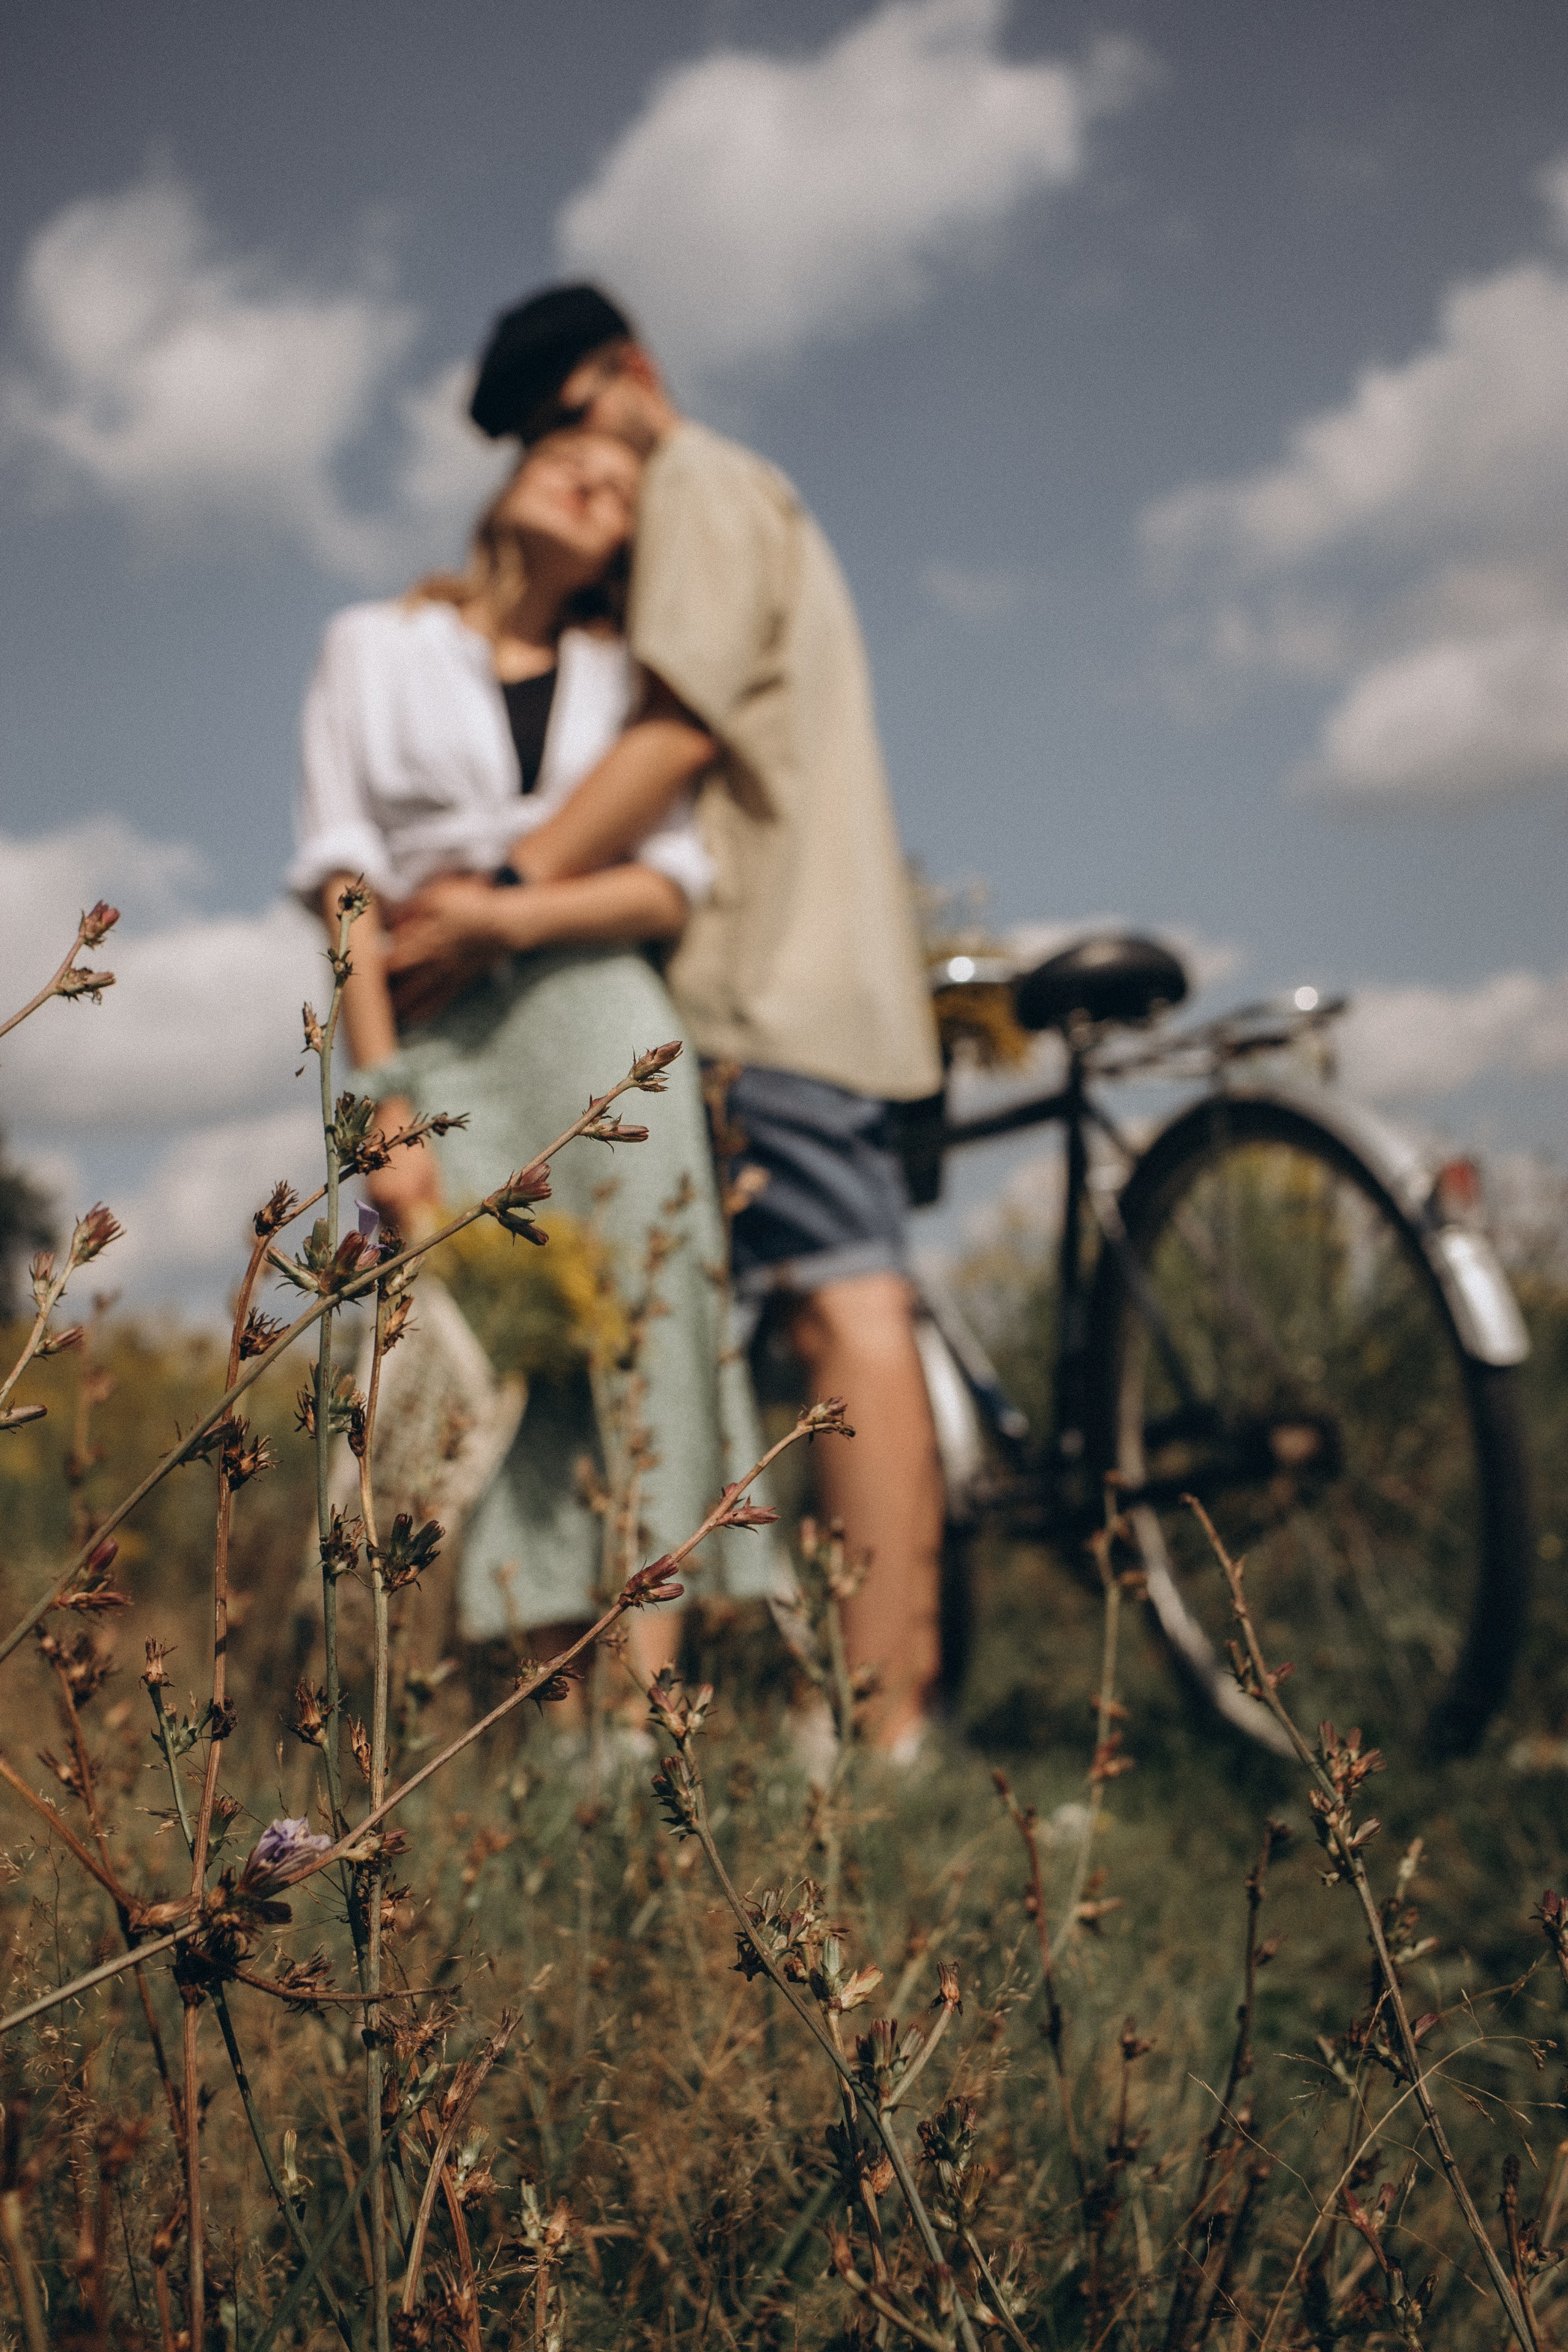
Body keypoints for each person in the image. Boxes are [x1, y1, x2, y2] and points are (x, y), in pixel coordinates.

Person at [398, 285, 945, 1757]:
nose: (573, 463)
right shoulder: (733, 500)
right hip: (805, 968)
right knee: (805, 1311)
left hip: (767, 973)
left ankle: (888, 1732)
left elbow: (676, 732)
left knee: (844, 1306)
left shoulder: (700, 484)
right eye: (533, 445)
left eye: (567, 419)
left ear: (630, 374)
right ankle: (835, 1706)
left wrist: (503, 893)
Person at [288, 424, 779, 1696]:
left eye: (623, 493)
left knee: (647, 1338)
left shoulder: (623, 676)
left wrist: (504, 915)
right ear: (506, 476)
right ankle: (509, 1702)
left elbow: (666, 884)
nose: (595, 484)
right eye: (575, 461)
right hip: (435, 1037)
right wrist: (380, 1101)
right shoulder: (371, 645)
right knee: (480, 1356)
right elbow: (343, 876)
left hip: (597, 1013)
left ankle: (634, 1714)